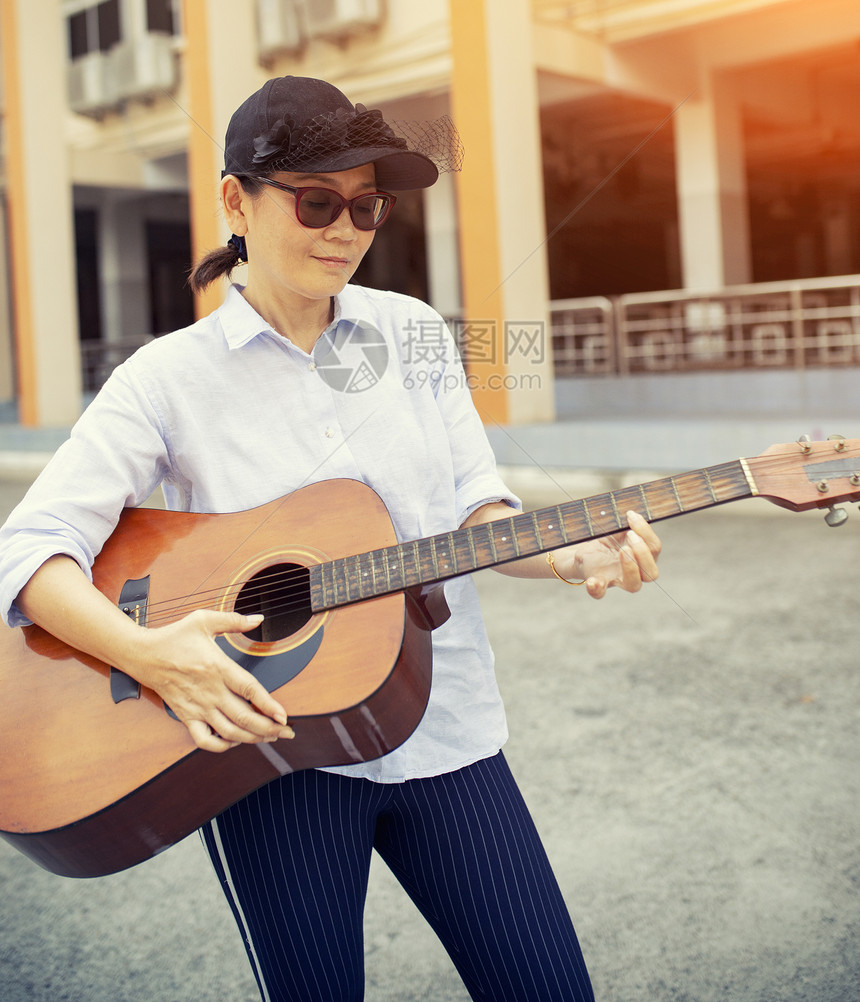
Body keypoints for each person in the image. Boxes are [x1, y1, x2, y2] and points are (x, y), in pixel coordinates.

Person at [0, 75, 661, 1002]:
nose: (346, 229)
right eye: (318, 201)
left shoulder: (413, 333)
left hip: (446, 730)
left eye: (367, 205)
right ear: (237, 198)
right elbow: (30, 550)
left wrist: (567, 551)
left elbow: (476, 499)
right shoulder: (165, 382)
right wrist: (151, 656)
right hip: (265, 762)